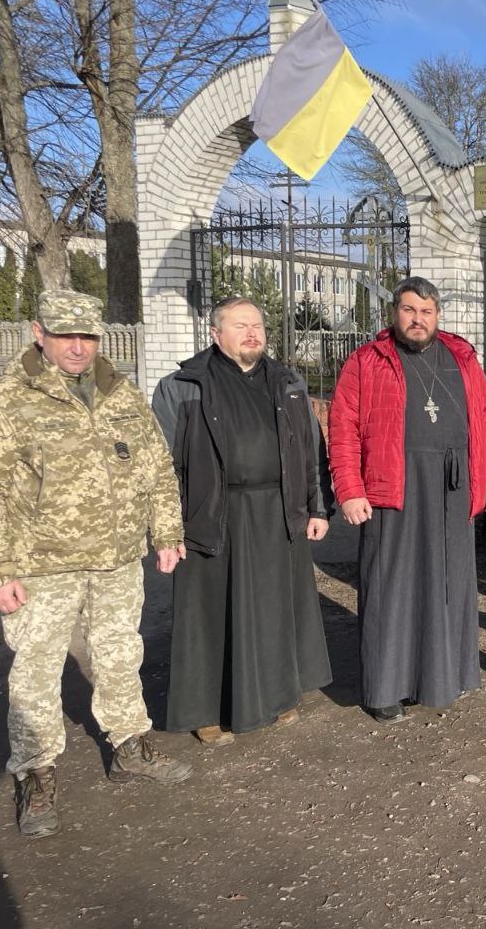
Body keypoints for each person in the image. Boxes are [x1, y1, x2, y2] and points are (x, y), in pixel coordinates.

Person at [0, 289, 191, 839]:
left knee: (120, 652)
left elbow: (156, 468)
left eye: (87, 336)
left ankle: (130, 743)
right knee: (36, 667)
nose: (78, 347)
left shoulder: (120, 394)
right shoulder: (7, 401)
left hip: (114, 559)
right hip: (41, 565)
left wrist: (168, 533)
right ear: (40, 333)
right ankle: (35, 771)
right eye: (65, 335)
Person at [151, 297, 333, 747]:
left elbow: (310, 450)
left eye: (257, 325)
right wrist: (167, 531)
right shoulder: (184, 385)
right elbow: (159, 468)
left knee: (275, 610)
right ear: (216, 334)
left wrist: (316, 507)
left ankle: (278, 694)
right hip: (212, 516)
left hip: (277, 511)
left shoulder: (286, 382)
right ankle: (207, 710)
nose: (252, 333)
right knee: (211, 617)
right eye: (240, 326)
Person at [329, 277, 486, 722]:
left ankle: (442, 678)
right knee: (393, 587)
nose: (417, 319)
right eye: (409, 310)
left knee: (448, 586)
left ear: (437, 315)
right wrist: (350, 488)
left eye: (426, 312)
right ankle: (386, 689)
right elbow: (343, 428)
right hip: (395, 487)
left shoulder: (462, 357)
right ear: (394, 313)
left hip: (453, 487)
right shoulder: (368, 361)